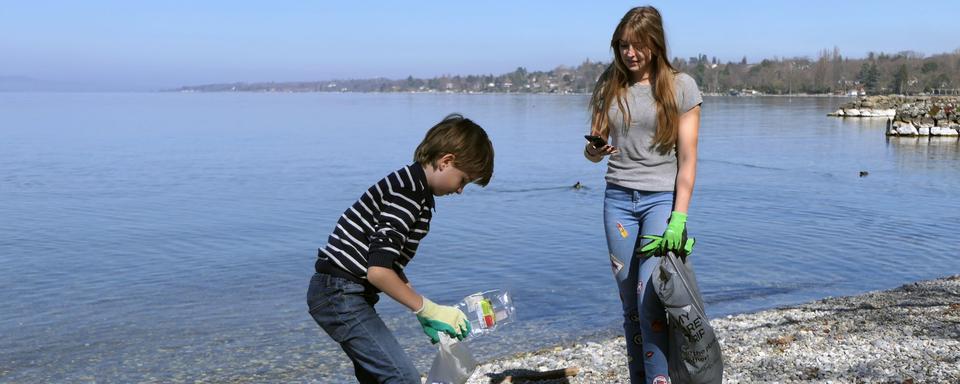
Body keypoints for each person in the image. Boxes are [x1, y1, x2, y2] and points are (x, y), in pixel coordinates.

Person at [308, 113, 495, 383]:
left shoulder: (412, 188)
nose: (460, 191)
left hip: (344, 291)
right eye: (463, 180)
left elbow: (389, 265)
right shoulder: (408, 194)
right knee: (401, 377)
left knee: (377, 376)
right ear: (446, 161)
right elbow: (378, 272)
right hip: (338, 292)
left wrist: (425, 312)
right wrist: (426, 309)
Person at [583, 6, 702, 384]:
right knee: (629, 307)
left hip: (659, 201)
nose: (629, 54)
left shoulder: (682, 86)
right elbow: (593, 146)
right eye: (622, 46)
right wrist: (594, 150)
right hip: (617, 199)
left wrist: (679, 218)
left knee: (651, 299)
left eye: (636, 46)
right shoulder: (610, 81)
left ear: (655, 44)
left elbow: (688, 159)